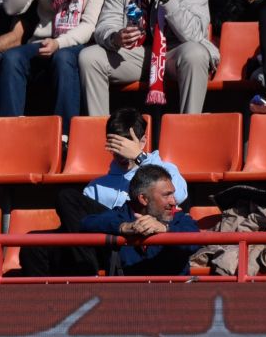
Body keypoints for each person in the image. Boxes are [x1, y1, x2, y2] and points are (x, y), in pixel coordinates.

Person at [17, 107, 187, 277]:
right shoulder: (96, 186)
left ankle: (87, 275)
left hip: (137, 242)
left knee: (67, 197)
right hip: (102, 245)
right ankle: (51, 297)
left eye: (125, 143)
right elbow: (82, 224)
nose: (120, 152)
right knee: (34, 243)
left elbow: (177, 195)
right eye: (114, 144)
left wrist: (138, 156)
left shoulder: (165, 170)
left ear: (143, 141)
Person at [80, 0, 218, 116]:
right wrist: (115, 37)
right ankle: (99, 134)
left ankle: (190, 129)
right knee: (89, 57)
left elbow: (194, 35)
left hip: (175, 52)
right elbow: (104, 25)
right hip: (136, 54)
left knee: (195, 53)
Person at [80, 163, 199, 276]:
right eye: (166, 195)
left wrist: (166, 229)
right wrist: (123, 227)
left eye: (172, 194)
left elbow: (195, 241)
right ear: (143, 199)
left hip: (174, 294)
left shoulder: (179, 219)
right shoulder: (121, 216)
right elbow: (87, 224)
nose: (174, 202)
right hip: (127, 294)